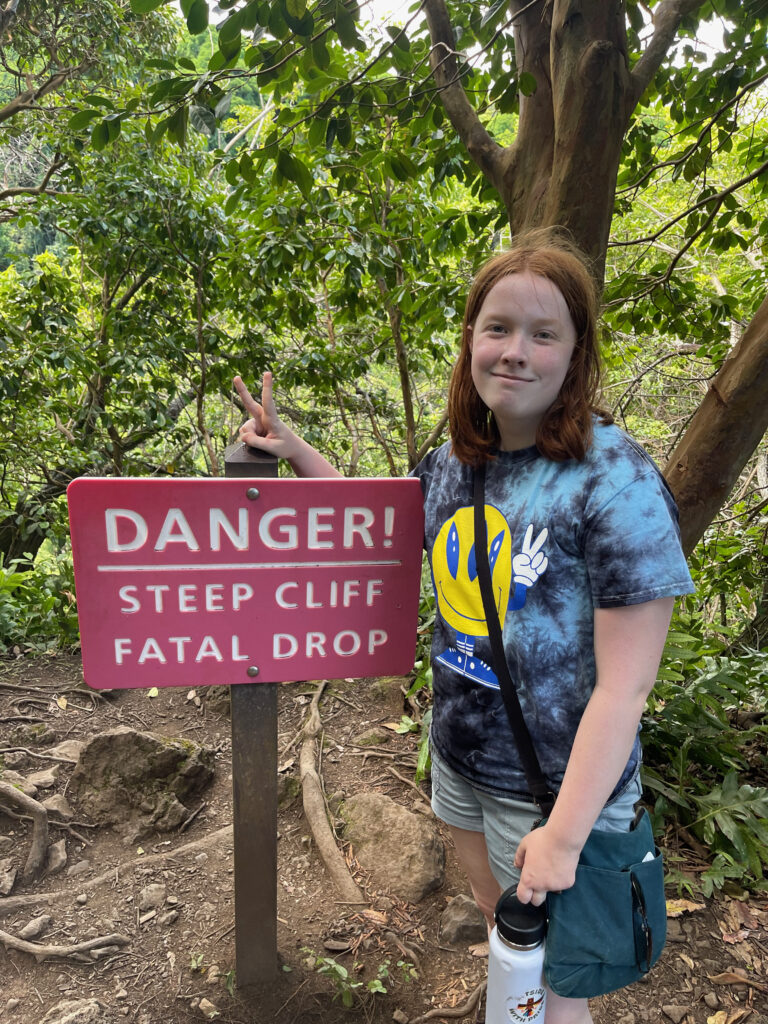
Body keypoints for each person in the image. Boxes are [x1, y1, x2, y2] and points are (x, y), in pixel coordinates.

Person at [234, 231, 694, 1024]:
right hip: (464, 754)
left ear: (575, 354)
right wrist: (294, 449)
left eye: (542, 334)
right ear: (471, 342)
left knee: (555, 981)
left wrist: (563, 834)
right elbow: (381, 523)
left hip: (558, 789)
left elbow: (627, 688)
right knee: (500, 926)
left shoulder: (615, 482)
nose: (515, 352)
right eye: (498, 328)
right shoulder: (457, 459)